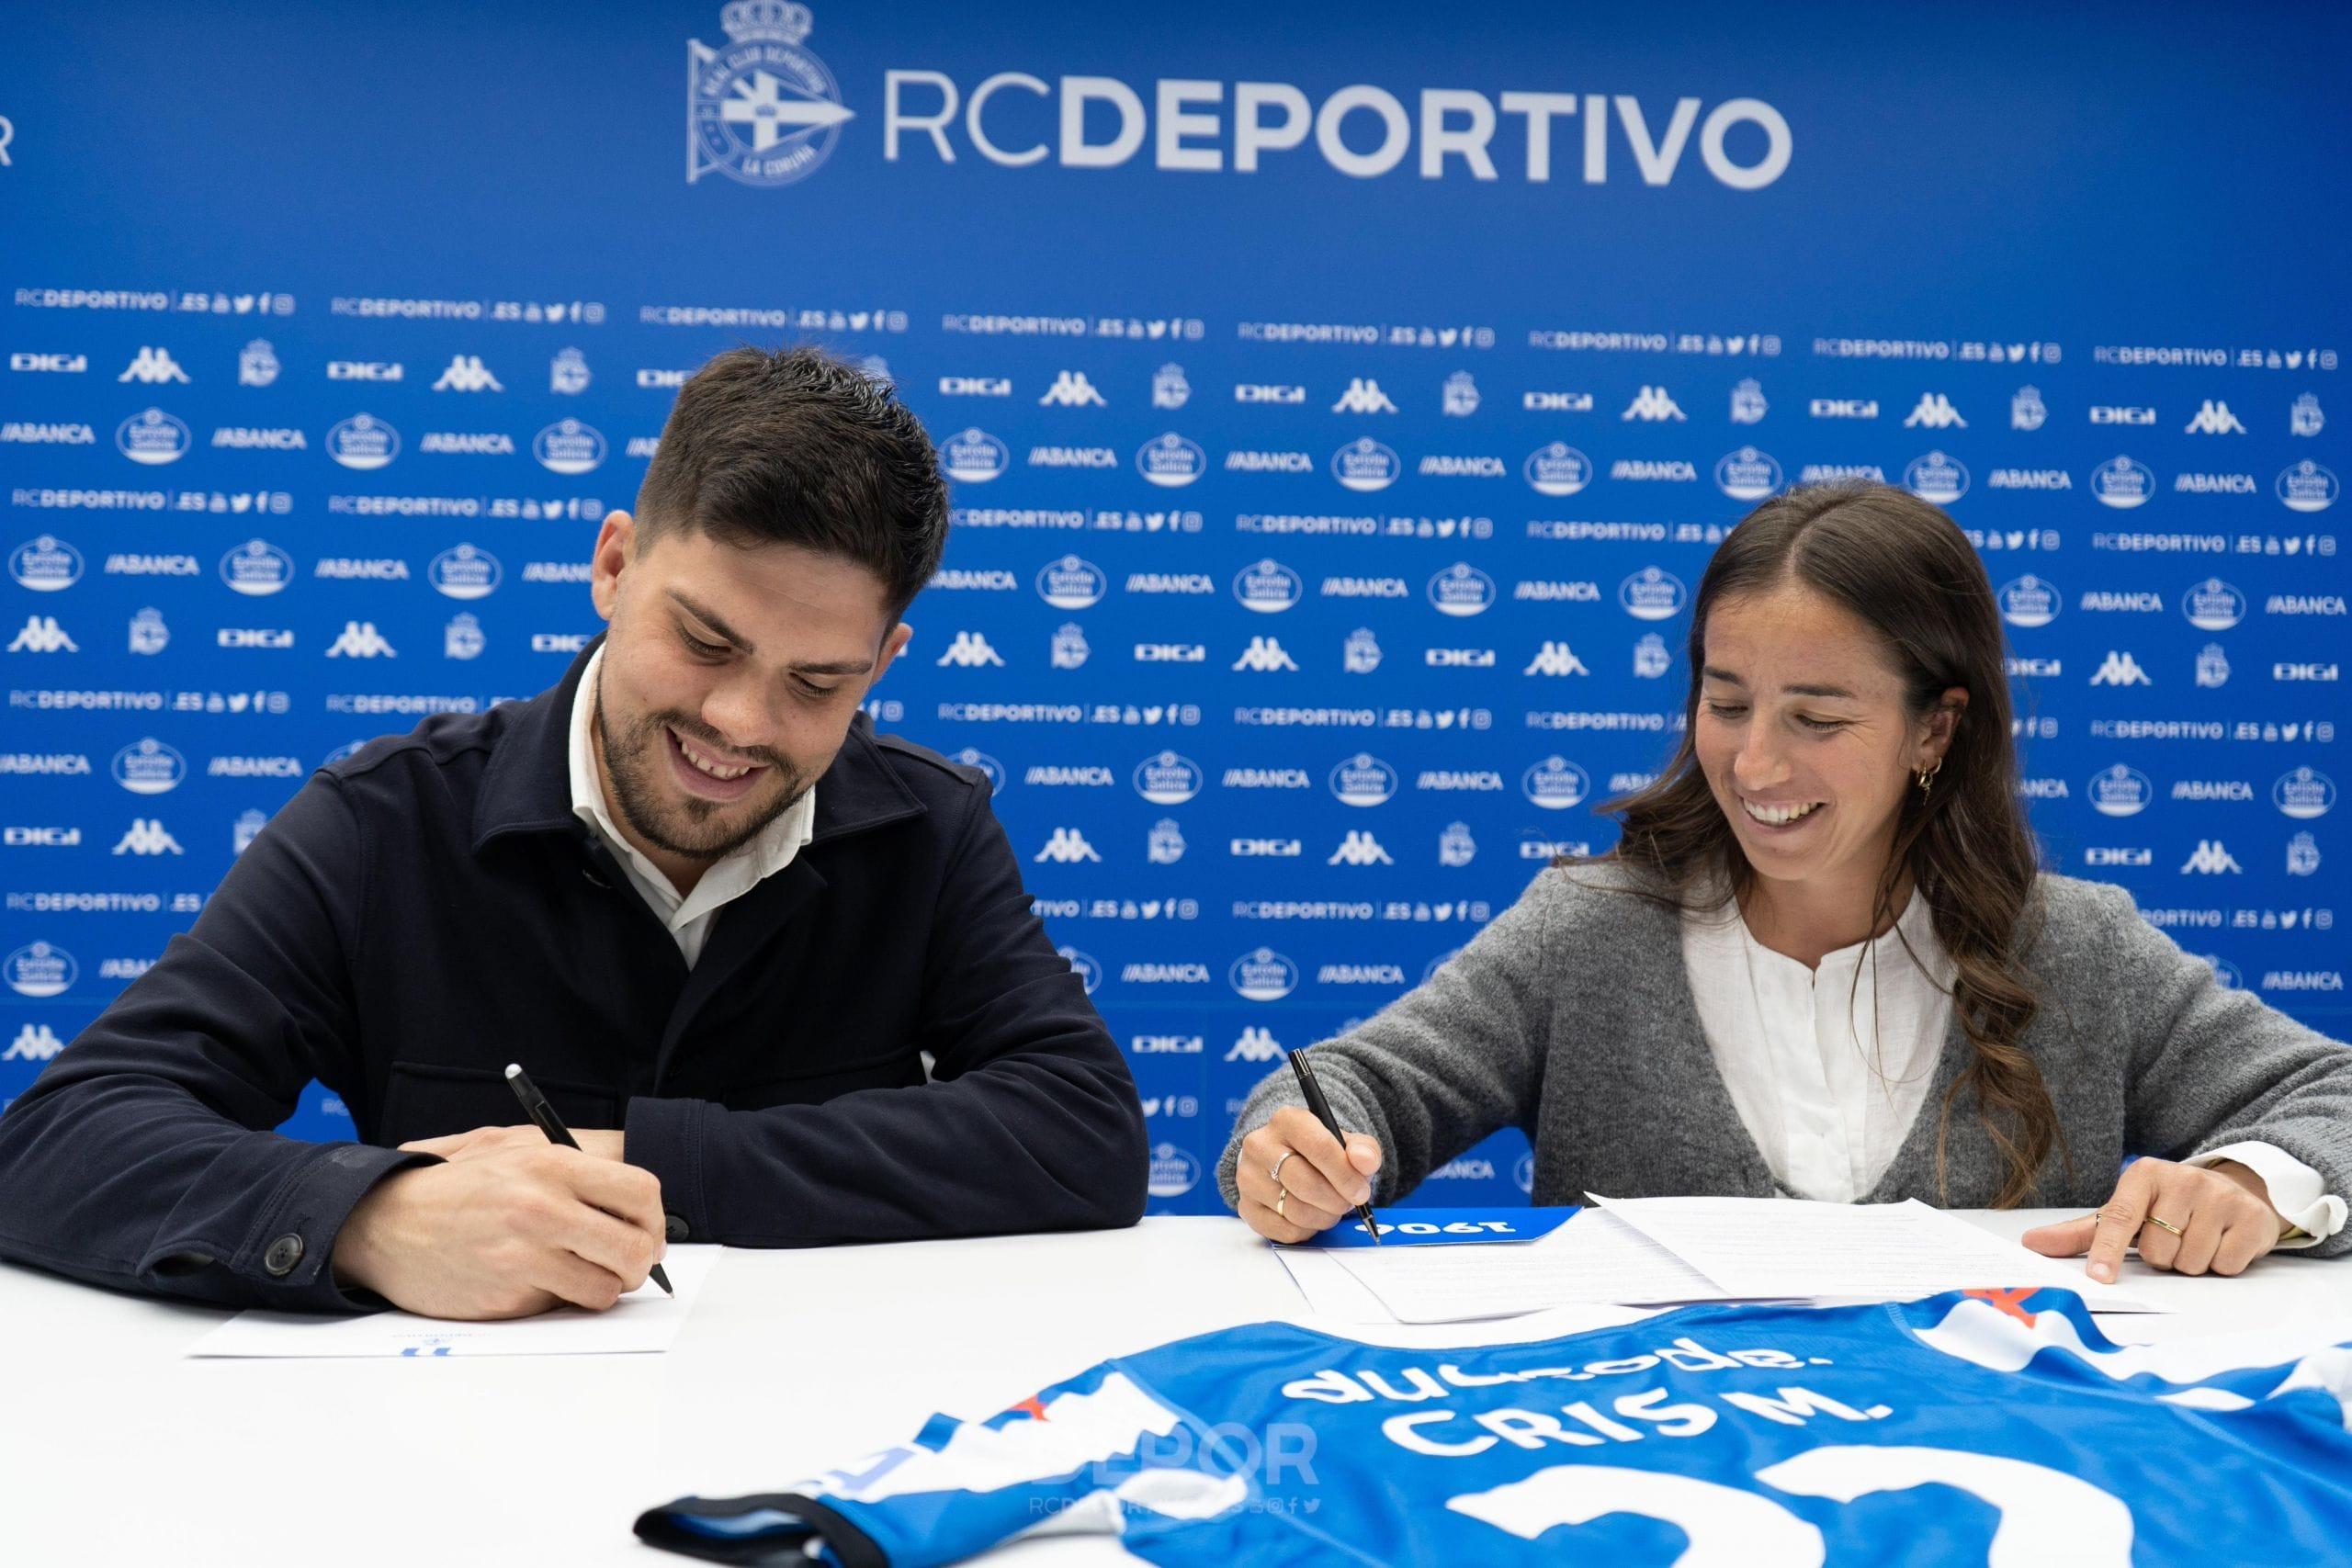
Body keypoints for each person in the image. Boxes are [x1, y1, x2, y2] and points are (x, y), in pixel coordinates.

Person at [0, 345, 1148, 1319]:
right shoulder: (383, 822)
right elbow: (56, 1144)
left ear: (883, 666)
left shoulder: (929, 829)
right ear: (613, 566)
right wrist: (368, 1216)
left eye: (816, 683)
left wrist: (636, 1159)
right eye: (704, 642)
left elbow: (1083, 1131)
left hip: (825, 1441)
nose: (740, 725)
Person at [1222, 480, 2350, 1282]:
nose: (1754, 765)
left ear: (1934, 730)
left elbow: (2329, 1102)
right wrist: (1294, 1150)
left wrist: (2255, 1186)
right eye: (1724, 704)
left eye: (1816, 718)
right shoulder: (1587, 932)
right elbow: (1341, 1092)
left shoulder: (2077, 951)